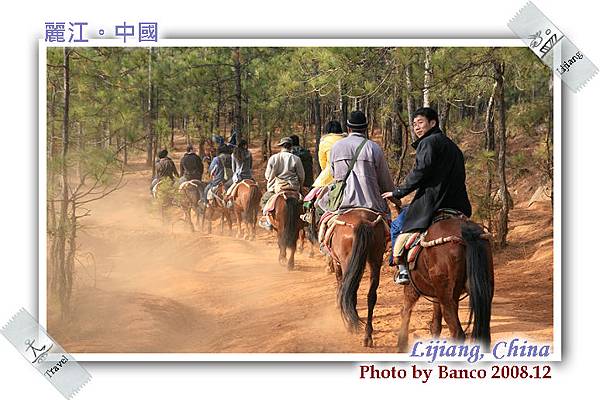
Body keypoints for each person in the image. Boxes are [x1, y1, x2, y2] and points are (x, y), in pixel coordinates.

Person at [382, 107, 472, 284]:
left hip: (432, 203)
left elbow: (420, 171)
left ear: (433, 123)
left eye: (420, 122)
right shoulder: (453, 147)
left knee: (396, 227)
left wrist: (398, 192)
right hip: (458, 203)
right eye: (414, 124)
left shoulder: (428, 142)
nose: (416, 127)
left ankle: (402, 270)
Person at [316, 110, 396, 217]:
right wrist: (396, 198)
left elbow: (334, 174)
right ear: (365, 128)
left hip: (342, 203)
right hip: (372, 203)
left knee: (318, 213)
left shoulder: (337, 147)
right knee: (388, 223)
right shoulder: (374, 148)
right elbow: (385, 181)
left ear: (348, 128)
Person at [258, 137, 305, 230]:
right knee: (306, 203)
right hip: (293, 187)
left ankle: (268, 220)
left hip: (278, 187)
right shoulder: (296, 158)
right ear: (291, 147)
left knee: (264, 200)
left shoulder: (273, 158)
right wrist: (300, 185)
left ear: (281, 146)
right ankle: (306, 220)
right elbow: (301, 175)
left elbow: (267, 176)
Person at [225, 139, 254, 207]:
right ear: (245, 145)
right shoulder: (249, 153)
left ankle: (229, 202)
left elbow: (233, 168)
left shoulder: (234, 154)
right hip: (248, 176)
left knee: (226, 185)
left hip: (239, 177)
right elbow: (250, 166)